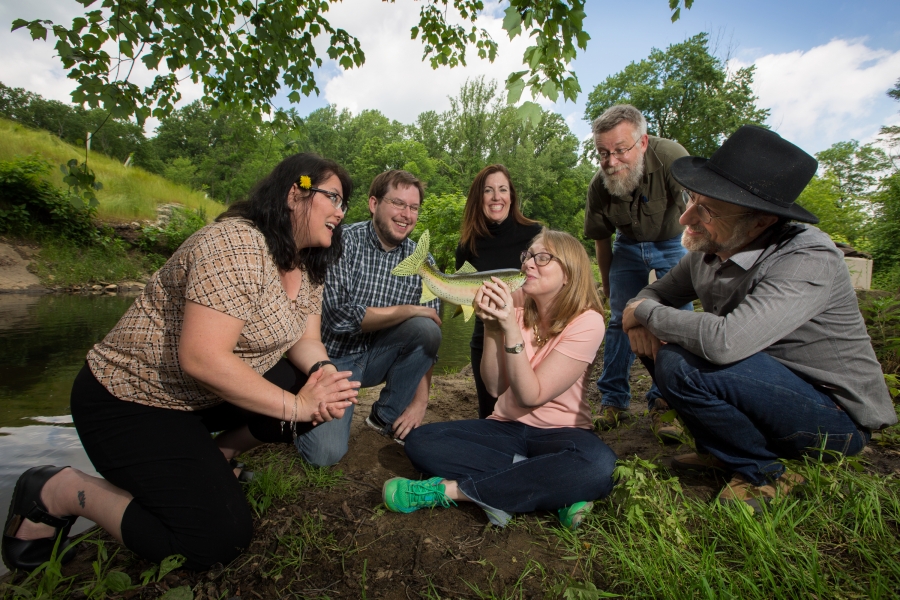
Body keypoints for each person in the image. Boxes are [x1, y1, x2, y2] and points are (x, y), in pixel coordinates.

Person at [1, 153, 362, 572]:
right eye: (333, 198)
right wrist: (299, 405)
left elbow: (306, 338)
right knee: (217, 540)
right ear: (294, 194)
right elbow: (202, 358)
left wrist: (324, 376)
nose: (340, 212)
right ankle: (59, 489)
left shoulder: (309, 264)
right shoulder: (237, 243)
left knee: (304, 380)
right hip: (129, 398)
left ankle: (221, 452)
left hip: (196, 400)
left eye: (344, 203)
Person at [622, 125, 897, 511]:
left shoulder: (807, 257)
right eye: (691, 198)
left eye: (707, 209)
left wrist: (643, 313)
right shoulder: (708, 250)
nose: (686, 218)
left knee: (682, 362)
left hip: (833, 417)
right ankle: (726, 449)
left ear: (762, 221)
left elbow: (725, 342)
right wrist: (642, 312)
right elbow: (655, 292)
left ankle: (763, 472)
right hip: (762, 388)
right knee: (669, 349)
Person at [382, 229, 617, 530]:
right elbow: (494, 387)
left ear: (569, 274)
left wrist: (510, 326)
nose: (529, 263)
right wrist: (493, 327)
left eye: (542, 257)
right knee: (421, 442)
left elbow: (532, 395)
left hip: (562, 435)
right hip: (505, 429)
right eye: (528, 256)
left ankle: (447, 491)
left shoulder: (588, 321)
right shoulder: (515, 307)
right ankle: (558, 491)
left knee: (600, 466)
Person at [296, 170, 441, 466]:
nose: (406, 215)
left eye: (413, 208)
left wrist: (420, 402)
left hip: (379, 356)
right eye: (398, 204)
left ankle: (383, 417)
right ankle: (295, 416)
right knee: (324, 455)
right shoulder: (341, 241)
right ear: (374, 204)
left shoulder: (423, 261)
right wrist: (409, 309)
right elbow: (341, 318)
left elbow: (430, 336)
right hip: (335, 360)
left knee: (427, 328)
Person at [584, 104, 693, 439]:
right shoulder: (599, 186)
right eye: (603, 152)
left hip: (674, 240)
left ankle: (665, 403)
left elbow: (697, 212)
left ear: (643, 143)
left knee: (675, 316)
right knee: (619, 318)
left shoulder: (673, 157)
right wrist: (607, 286)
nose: (611, 161)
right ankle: (614, 400)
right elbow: (602, 241)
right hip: (627, 245)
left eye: (620, 150)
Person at [455, 164, 542, 418]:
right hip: (486, 338)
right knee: (491, 416)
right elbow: (466, 299)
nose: (496, 197)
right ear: (477, 198)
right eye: (488, 191)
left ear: (511, 196)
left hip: (531, 337)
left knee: (531, 414)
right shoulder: (466, 246)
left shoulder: (535, 234)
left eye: (503, 189)